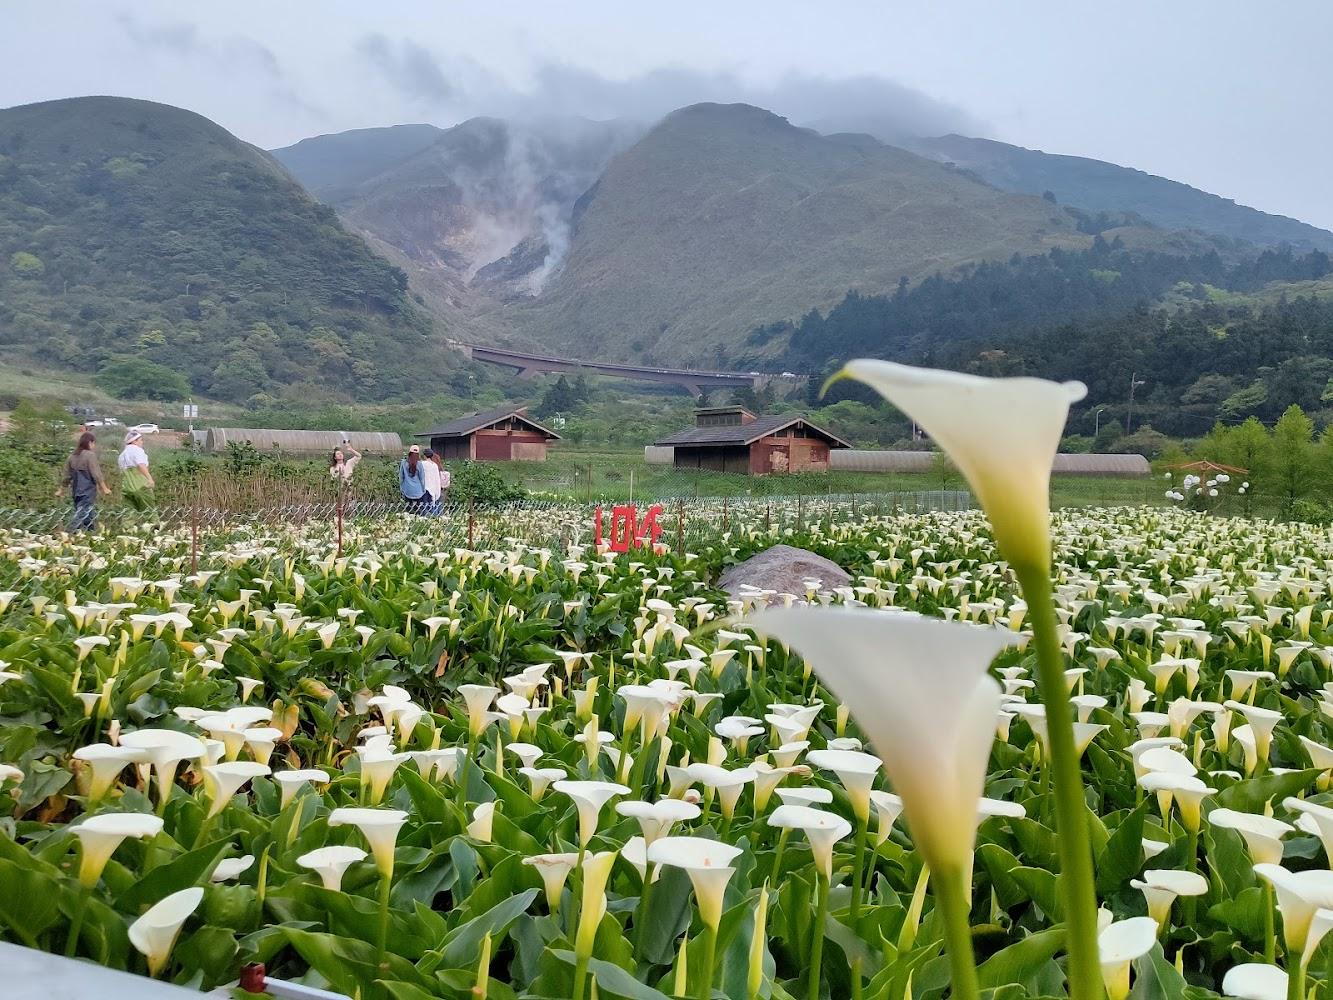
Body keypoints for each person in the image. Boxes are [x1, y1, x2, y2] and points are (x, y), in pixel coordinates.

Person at [58, 432, 110, 532]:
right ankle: (68, 533)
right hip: (87, 490)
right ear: (90, 443)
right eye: (94, 443)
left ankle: (91, 534)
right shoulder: (90, 455)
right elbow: (96, 474)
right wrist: (105, 488)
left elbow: (67, 476)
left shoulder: (72, 456)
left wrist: (61, 490)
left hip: (76, 490)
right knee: (81, 514)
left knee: (88, 514)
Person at [117, 429, 156, 512]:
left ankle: (128, 525)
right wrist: (149, 478)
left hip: (127, 487)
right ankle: (153, 524)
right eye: (141, 440)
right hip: (140, 485)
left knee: (129, 512)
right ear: (134, 441)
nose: (142, 442)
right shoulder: (137, 450)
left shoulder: (122, 455)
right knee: (149, 510)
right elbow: (141, 464)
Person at [398, 444, 428, 512]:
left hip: (407, 491)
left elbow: (401, 477)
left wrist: (402, 489)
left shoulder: (403, 463)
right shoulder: (419, 464)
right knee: (418, 510)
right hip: (418, 491)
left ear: (409, 453)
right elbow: (422, 478)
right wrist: (423, 490)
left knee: (408, 510)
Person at [420, 447, 442, 514]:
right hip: (434, 488)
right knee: (432, 506)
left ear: (424, 455)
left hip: (425, 488)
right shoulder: (435, 465)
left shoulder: (422, 464)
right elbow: (437, 478)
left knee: (424, 507)